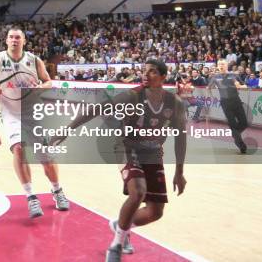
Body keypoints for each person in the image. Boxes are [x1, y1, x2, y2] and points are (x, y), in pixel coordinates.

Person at [56, 59, 187, 262]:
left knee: (155, 212)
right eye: (144, 71)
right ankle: (116, 245)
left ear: (163, 77)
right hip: (128, 147)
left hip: (152, 153)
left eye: (152, 72)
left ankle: (121, 224)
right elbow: (97, 109)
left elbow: (181, 137)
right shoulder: (132, 95)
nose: (146, 74)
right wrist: (68, 128)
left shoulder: (175, 103)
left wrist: (179, 172)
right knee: (138, 192)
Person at [0, 27, 70, 218]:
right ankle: (31, 196)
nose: (14, 40)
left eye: (18, 37)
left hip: (33, 113)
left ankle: (57, 190)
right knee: (19, 149)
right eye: (11, 37)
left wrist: (40, 87)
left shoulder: (34, 60)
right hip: (11, 112)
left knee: (45, 155)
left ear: (24, 41)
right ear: (6, 40)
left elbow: (48, 81)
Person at [207, 59, 248, 153]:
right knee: (233, 124)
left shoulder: (234, 75)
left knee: (244, 123)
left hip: (236, 101)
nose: (221, 66)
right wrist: (212, 96)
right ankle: (241, 145)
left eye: (223, 64)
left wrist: (240, 86)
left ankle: (235, 134)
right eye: (219, 64)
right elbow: (208, 88)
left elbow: (245, 87)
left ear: (227, 65)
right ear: (217, 66)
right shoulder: (215, 77)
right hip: (225, 103)